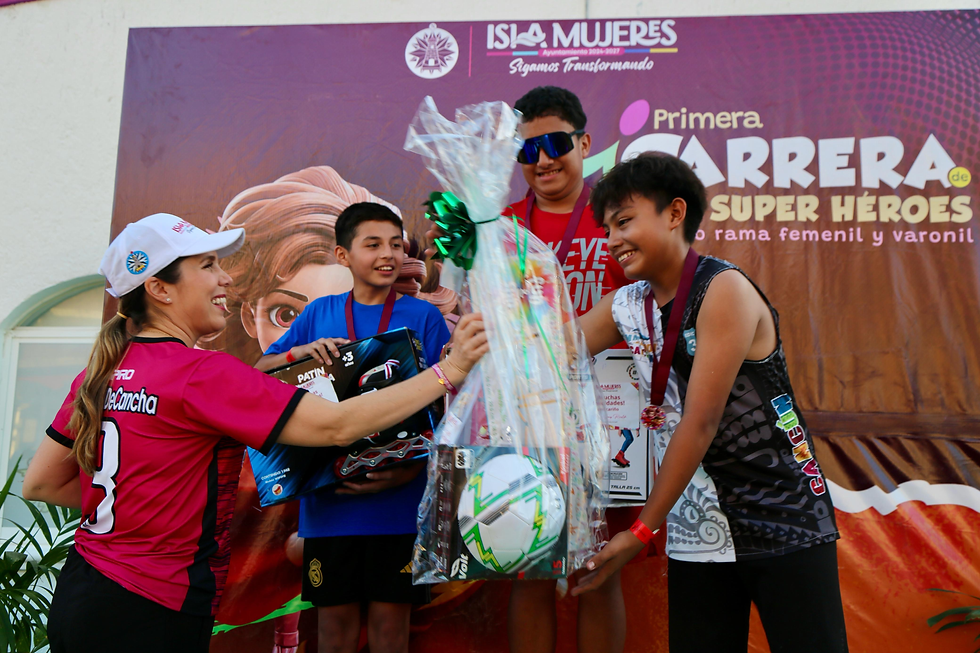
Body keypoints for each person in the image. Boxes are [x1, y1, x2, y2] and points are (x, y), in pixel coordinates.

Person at [21, 212, 487, 653]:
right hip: (152, 607)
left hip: (82, 592)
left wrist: (145, 506)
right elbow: (338, 425)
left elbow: (41, 482)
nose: (225, 278)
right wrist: (450, 369)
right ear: (160, 288)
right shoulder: (200, 373)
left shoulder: (102, 372)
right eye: (207, 266)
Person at [572, 153, 848, 653]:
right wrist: (478, 341)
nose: (613, 239)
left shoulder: (723, 289)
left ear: (675, 213)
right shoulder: (628, 304)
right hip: (695, 521)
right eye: (608, 227)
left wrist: (638, 530)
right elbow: (553, 351)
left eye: (625, 220)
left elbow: (700, 423)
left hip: (782, 509)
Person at [255, 202, 450, 653]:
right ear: (343, 255)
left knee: (389, 634)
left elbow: (449, 408)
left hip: (399, 504)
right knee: (335, 636)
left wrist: (408, 471)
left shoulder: (423, 318)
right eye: (373, 244)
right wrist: (298, 352)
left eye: (396, 245)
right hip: (329, 507)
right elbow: (260, 373)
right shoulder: (318, 315)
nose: (388, 255)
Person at [504, 85, 631, 653]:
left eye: (554, 143)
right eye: (526, 151)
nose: (542, 161)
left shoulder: (621, 215)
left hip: (610, 413)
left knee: (598, 571)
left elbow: (654, 303)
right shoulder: (500, 227)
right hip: (525, 419)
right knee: (528, 566)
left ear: (584, 142)